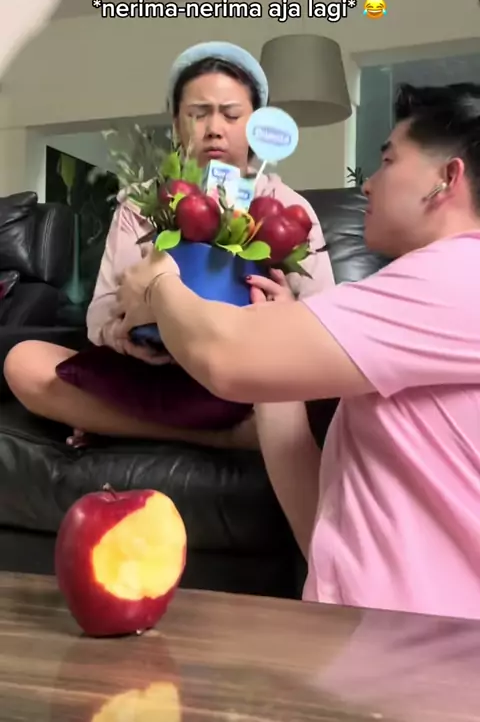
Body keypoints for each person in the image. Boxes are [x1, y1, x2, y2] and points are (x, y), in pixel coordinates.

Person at [115, 82, 480, 621]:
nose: (368, 184)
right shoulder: (431, 294)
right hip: (360, 629)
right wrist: (277, 339)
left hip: (418, 648)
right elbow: (321, 522)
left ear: (447, 177)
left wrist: (157, 283)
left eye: (387, 161)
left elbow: (224, 358)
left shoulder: (458, 277)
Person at [4, 41, 334, 451]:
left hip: (245, 374)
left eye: (232, 115)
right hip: (154, 368)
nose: (214, 128)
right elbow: (100, 314)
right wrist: (121, 335)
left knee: (327, 394)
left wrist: (287, 313)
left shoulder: (286, 207)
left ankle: (114, 422)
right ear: (177, 124)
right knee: (25, 362)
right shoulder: (141, 203)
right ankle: (229, 438)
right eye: (198, 114)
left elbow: (328, 326)